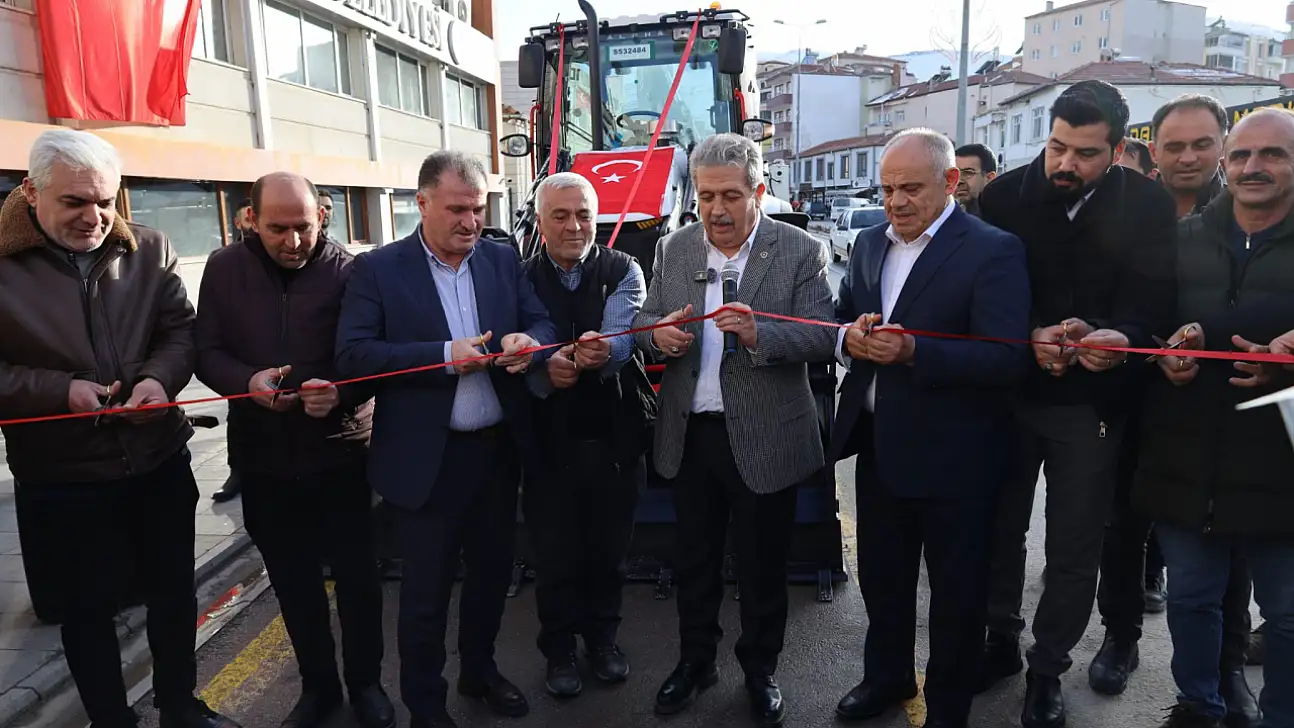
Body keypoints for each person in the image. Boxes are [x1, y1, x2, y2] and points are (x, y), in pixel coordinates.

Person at [0, 129, 239, 728]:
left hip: (156, 461)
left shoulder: (150, 249)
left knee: (172, 596)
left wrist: (159, 380)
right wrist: (61, 391)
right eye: (75, 202)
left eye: (106, 200)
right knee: (86, 612)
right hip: (61, 476)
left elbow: (180, 332)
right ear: (31, 192)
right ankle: (111, 720)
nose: (96, 217)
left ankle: (180, 706)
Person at [976, 80, 1178, 728]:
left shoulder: (1147, 205)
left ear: (1118, 150)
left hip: (1091, 404)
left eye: (1084, 153)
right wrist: (1027, 333)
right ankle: (999, 642)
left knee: (1073, 547)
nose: (1065, 163)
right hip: (1009, 399)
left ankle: (1047, 670)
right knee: (998, 533)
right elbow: (985, 294)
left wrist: (1123, 337)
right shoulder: (1004, 196)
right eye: (1057, 146)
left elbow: (1154, 299)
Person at [335, 150, 555, 728]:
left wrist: (525, 343)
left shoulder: (503, 261)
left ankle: (479, 672)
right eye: (457, 209)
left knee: (490, 579)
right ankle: (426, 707)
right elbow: (354, 358)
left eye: (478, 209)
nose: (470, 222)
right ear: (422, 203)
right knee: (425, 597)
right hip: (426, 463)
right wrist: (440, 357)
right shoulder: (378, 270)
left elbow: (544, 325)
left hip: (495, 455)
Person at [631, 133, 837, 726]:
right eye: (704, 198)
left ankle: (760, 669)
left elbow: (826, 335)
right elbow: (644, 322)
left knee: (762, 565)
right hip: (692, 435)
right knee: (692, 562)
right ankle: (695, 664)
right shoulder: (675, 248)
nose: (716, 211)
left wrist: (759, 335)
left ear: (760, 192)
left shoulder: (800, 250)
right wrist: (656, 336)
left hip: (768, 436)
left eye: (730, 196)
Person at [830, 129, 1032, 728]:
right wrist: (852, 337)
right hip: (879, 451)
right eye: (888, 188)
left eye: (911, 188)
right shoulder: (869, 244)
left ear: (950, 183)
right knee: (882, 584)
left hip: (956, 461)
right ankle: (886, 677)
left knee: (956, 600)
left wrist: (917, 352)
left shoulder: (992, 250)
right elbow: (843, 320)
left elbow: (1006, 357)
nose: (896, 201)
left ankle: (947, 709)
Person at [194, 172, 394, 728]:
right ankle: (319, 688)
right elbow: (205, 350)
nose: (292, 240)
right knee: (293, 582)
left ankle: (367, 685)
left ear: (322, 217)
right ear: (250, 219)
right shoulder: (223, 269)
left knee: (358, 581)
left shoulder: (354, 271)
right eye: (277, 228)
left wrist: (342, 392)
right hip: (263, 459)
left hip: (341, 455)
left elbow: (376, 355)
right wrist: (246, 382)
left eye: (303, 227)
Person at [1092, 93, 1259, 724]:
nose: (1188, 156)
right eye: (1173, 144)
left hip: (1225, 410)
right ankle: (1120, 637)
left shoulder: (1249, 214)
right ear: (1152, 150)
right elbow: (1109, 305)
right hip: (1137, 397)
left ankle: (1228, 668)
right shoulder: (1132, 213)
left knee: (1230, 538)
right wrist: (1141, 345)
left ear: (1222, 144)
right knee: (1123, 523)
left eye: (1202, 143)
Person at [1131, 106, 1294, 728]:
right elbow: (1146, 323)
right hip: (1187, 455)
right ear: (1228, 164)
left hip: (1281, 458)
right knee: (1192, 600)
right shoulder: (1181, 239)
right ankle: (1200, 705)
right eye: (1244, 156)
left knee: (1286, 614)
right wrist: (1159, 356)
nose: (1255, 168)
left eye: (1273, 154)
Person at [521, 172, 652, 697]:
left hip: (614, 441)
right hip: (548, 445)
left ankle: (602, 641)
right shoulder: (519, 277)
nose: (575, 226)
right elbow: (519, 338)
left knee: (608, 554)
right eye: (561, 215)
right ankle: (557, 650)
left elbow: (622, 337)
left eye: (584, 215)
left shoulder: (625, 269)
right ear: (539, 222)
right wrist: (539, 371)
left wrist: (604, 352)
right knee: (553, 557)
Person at [953, 143, 998, 217]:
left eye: (968, 173)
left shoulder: (1003, 221)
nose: (959, 181)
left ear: (989, 178)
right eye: (955, 175)